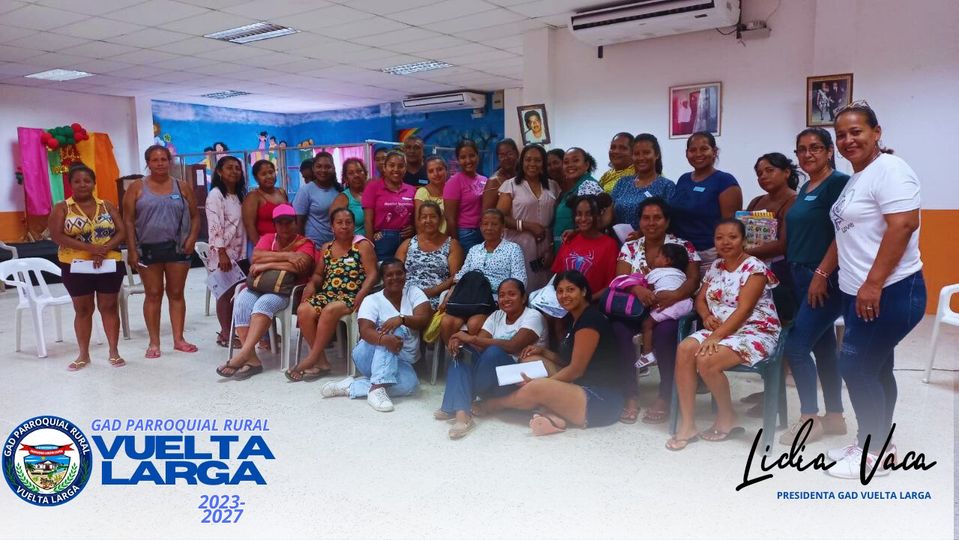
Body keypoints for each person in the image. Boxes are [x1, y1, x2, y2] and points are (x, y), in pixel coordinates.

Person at [824, 102, 925, 478]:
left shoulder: (891, 170)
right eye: (841, 135)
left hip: (891, 290)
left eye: (857, 132)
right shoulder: (859, 176)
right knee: (877, 366)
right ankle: (879, 444)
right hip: (859, 292)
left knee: (855, 366)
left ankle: (873, 452)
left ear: (876, 132)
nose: (848, 140)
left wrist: (873, 283)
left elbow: (903, 225)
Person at [667, 220, 782, 450]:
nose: (725, 242)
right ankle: (688, 424)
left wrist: (715, 336)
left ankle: (727, 416)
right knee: (685, 349)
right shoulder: (716, 266)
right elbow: (700, 299)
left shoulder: (754, 268)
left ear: (744, 241)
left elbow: (744, 310)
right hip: (720, 329)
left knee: (706, 360)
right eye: (719, 238)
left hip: (754, 330)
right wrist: (706, 315)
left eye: (732, 237)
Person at [473, 271, 623, 435]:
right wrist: (543, 351)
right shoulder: (574, 319)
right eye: (560, 291)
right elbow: (567, 362)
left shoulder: (590, 320)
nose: (564, 295)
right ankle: (552, 416)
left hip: (601, 399)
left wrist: (544, 383)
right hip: (580, 385)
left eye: (570, 290)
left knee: (537, 386)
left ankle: (493, 405)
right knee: (531, 358)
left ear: (584, 291)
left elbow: (576, 370)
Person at [777, 128, 851, 444]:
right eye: (802, 149)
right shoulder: (807, 185)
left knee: (796, 346)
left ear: (830, 151)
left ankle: (808, 419)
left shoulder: (839, 184)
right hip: (800, 275)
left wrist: (821, 274)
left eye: (815, 148)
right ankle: (834, 417)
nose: (808, 154)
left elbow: (843, 234)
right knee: (823, 348)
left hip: (824, 278)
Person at [613, 197, 701, 424]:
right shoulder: (630, 247)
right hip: (635, 308)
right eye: (646, 218)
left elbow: (693, 280)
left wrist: (675, 295)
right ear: (639, 221)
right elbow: (621, 278)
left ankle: (666, 395)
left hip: (669, 308)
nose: (651, 223)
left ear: (667, 221)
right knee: (619, 329)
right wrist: (637, 289)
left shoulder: (683, 246)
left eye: (657, 218)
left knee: (665, 331)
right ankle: (630, 395)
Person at [215, 205, 316, 380]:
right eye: (280, 223)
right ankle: (252, 359)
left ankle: (243, 354)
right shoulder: (268, 238)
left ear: (295, 223)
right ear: (275, 225)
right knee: (242, 301)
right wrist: (289, 257)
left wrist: (266, 264)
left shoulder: (305, 243)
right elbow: (256, 257)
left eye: (288, 222)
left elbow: (302, 265)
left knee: (264, 304)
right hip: (258, 286)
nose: (284, 226)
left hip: (285, 291)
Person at [438, 279, 547, 439]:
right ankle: (462, 415)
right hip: (491, 380)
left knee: (494, 352)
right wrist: (461, 342)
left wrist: (471, 338)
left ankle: (456, 401)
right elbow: (478, 345)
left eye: (512, 294)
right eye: (502, 295)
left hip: (517, 383)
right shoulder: (496, 316)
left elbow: (513, 346)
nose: (506, 299)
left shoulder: (533, 316)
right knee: (462, 352)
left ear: (523, 298)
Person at [320, 258, 432, 412]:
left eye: (399, 273)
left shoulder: (414, 292)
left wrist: (402, 319)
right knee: (393, 331)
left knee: (410, 385)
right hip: (368, 356)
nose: (395, 278)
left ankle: (351, 386)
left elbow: (424, 320)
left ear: (405, 274)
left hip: (402, 362)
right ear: (382, 279)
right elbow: (365, 331)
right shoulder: (372, 300)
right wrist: (384, 339)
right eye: (389, 275)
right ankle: (377, 388)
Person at [122, 144, 201, 358]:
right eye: (155, 160)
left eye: (163, 159)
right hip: (147, 249)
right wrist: (132, 249)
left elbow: (195, 216)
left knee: (176, 293)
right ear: (148, 163)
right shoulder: (136, 187)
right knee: (153, 294)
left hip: (178, 248)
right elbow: (128, 221)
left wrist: (192, 239)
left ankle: (179, 339)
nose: (160, 164)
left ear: (169, 161)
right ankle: (154, 342)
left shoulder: (182, 187)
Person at [49, 164, 126, 371]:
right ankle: (83, 354)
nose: (82, 184)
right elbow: (57, 235)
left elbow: (122, 231)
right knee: (83, 310)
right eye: (77, 181)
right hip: (75, 266)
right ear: (70, 184)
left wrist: (103, 249)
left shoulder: (107, 205)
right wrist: (89, 248)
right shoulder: (62, 208)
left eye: (87, 181)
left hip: (109, 263)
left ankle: (113, 351)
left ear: (94, 183)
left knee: (109, 307)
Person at [292, 208, 378, 381]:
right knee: (303, 310)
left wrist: (362, 292)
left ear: (354, 225)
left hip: (352, 296)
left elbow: (373, 274)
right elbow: (318, 274)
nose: (344, 226)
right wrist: (311, 284)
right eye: (339, 222)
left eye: (348, 222)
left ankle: (311, 358)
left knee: (330, 310)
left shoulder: (362, 245)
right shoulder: (327, 247)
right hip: (328, 294)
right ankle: (322, 362)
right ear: (332, 227)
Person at [439, 209, 527, 344]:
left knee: (474, 324)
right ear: (480, 227)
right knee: (447, 322)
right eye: (485, 224)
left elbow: (519, 280)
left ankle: (473, 355)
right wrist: (449, 295)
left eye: (494, 224)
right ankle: (454, 355)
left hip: (493, 299)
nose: (489, 228)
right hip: (469, 297)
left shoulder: (513, 249)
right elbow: (461, 275)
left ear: (503, 227)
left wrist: (504, 296)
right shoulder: (474, 250)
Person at [669, 131, 742, 273]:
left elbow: (730, 227)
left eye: (704, 149)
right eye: (692, 150)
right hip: (680, 254)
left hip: (709, 256)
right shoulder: (683, 179)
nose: (698, 154)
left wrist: (722, 261)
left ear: (714, 151)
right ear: (686, 153)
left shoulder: (725, 181)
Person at [745, 152, 800, 320]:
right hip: (751, 269)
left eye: (769, 170)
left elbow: (783, 244)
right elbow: (740, 234)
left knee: (779, 319)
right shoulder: (756, 201)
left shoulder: (794, 200)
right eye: (759, 173)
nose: (763, 176)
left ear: (786, 172)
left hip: (781, 273)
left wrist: (742, 253)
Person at [497, 144, 560, 290]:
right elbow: (499, 217)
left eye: (537, 160)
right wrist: (526, 225)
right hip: (518, 244)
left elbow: (555, 220)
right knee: (520, 286)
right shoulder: (511, 185)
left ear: (543, 163)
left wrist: (551, 247)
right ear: (521, 161)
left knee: (545, 286)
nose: (532, 164)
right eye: (528, 159)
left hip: (545, 244)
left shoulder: (553, 186)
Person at [206, 156, 249, 348]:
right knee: (225, 295)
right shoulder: (215, 195)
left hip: (241, 253)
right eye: (229, 168)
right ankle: (225, 334)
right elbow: (215, 226)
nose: (234, 171)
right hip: (223, 254)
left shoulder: (240, 195)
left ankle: (236, 331)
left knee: (237, 294)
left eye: (237, 168)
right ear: (219, 172)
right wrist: (221, 253)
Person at [633, 243, 694, 369]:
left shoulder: (656, 272)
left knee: (647, 324)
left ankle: (647, 353)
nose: (654, 259)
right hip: (686, 304)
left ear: (667, 261)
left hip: (669, 305)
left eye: (657, 256)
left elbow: (649, 290)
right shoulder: (681, 273)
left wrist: (646, 276)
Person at [396, 201, 463, 310]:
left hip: (434, 297)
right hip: (405, 295)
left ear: (440, 219)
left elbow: (455, 277)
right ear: (418, 220)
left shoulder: (452, 245)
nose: (428, 220)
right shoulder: (408, 244)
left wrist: (431, 291)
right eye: (424, 217)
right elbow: (395, 272)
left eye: (433, 216)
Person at [551, 196, 618, 301]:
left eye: (588, 214)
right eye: (579, 214)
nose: (583, 219)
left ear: (598, 215)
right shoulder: (570, 239)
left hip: (592, 304)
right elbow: (557, 274)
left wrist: (585, 301)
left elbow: (612, 285)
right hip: (564, 303)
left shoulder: (609, 245)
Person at [611, 133, 675, 231]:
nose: (641, 158)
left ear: (657, 154)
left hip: (651, 239)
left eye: (646, 153)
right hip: (619, 240)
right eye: (636, 154)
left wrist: (641, 234)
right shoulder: (622, 183)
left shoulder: (666, 186)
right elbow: (610, 214)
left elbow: (669, 221)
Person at [363, 150, 416, 259]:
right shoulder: (373, 187)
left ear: (405, 168)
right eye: (392, 165)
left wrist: (413, 228)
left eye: (400, 166)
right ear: (384, 167)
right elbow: (368, 221)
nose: (396, 169)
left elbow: (415, 217)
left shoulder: (412, 189)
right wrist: (370, 248)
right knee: (382, 268)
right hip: (381, 240)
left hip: (406, 240)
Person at [552, 147, 603, 249]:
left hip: (580, 247)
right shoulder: (574, 187)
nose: (570, 165)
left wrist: (576, 232)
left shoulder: (589, 185)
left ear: (586, 165)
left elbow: (596, 219)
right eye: (566, 162)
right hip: (566, 246)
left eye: (575, 160)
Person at [443, 139, 488, 253]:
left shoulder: (485, 180)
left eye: (471, 155)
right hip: (465, 234)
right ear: (458, 160)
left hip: (485, 232)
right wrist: (456, 244)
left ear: (477, 156)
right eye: (463, 157)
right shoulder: (453, 182)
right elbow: (450, 218)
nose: (468, 160)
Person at [293, 151, 340, 249]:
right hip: (313, 246)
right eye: (319, 166)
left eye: (327, 167)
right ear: (313, 168)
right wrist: (302, 246)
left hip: (336, 245)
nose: (323, 170)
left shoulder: (339, 189)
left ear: (333, 168)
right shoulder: (305, 191)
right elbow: (298, 223)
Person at [331, 157, 368, 237]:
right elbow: (336, 228)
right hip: (352, 243)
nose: (356, 175)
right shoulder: (342, 198)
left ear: (365, 174)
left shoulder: (373, 193)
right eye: (351, 173)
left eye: (359, 171)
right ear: (346, 179)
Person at [414, 155, 449, 234]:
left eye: (439, 169)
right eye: (431, 171)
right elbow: (419, 224)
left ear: (446, 170)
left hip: (450, 237)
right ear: (427, 174)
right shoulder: (422, 192)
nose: (436, 174)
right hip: (429, 238)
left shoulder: (453, 190)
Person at [483, 138, 520, 211]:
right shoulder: (493, 181)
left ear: (517, 154)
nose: (506, 158)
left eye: (509, 154)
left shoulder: (522, 176)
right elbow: (486, 213)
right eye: (502, 156)